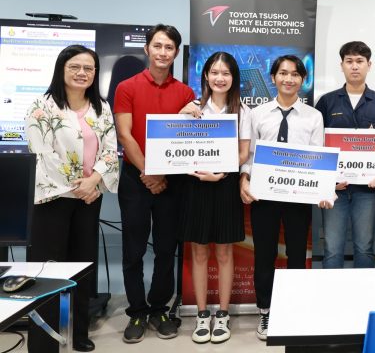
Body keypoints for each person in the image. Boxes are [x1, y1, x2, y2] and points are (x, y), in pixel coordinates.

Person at [24, 45, 119, 353]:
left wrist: (93, 181)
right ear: (61, 70)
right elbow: (42, 154)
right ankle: (44, 342)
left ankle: (77, 332)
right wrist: (79, 185)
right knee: (49, 271)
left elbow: (110, 150)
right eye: (75, 67)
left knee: (81, 267)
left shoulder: (101, 107)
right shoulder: (41, 107)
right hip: (52, 198)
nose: (82, 73)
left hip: (89, 198)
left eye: (88, 68)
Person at [114, 24, 195, 343]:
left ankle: (160, 309)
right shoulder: (127, 87)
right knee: (133, 250)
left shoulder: (185, 93)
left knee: (165, 248)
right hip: (136, 178)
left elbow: (185, 138)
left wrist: (160, 175)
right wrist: (148, 172)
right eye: (158, 46)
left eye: (169, 47)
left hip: (171, 181)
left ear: (175, 52)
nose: (163, 52)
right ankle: (136, 311)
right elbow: (124, 135)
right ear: (147, 49)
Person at [239, 54, 326, 341]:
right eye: (283, 73)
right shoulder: (258, 114)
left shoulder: (313, 116)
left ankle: (295, 309)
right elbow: (249, 156)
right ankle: (265, 311)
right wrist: (244, 178)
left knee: (297, 254)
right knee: (264, 254)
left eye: (295, 74)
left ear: (303, 79)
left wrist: (323, 189)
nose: (289, 79)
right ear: (273, 78)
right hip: (264, 195)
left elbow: (317, 158)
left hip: (298, 197)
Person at [177, 52, 252, 344]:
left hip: (225, 186)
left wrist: (221, 172)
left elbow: (243, 153)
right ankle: (201, 314)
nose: (220, 78)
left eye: (226, 73)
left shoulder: (242, 111)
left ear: (234, 78)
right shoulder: (193, 108)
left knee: (224, 252)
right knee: (198, 252)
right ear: (206, 75)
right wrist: (182, 115)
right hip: (195, 187)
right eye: (215, 72)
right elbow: (177, 146)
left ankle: (222, 313)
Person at [315, 41, 375, 269]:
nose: (354, 66)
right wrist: (326, 182)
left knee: (364, 247)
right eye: (349, 61)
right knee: (332, 248)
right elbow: (317, 146)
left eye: (359, 61)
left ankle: (363, 291)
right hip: (335, 189)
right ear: (342, 65)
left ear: (369, 65)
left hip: (368, 190)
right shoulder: (327, 102)